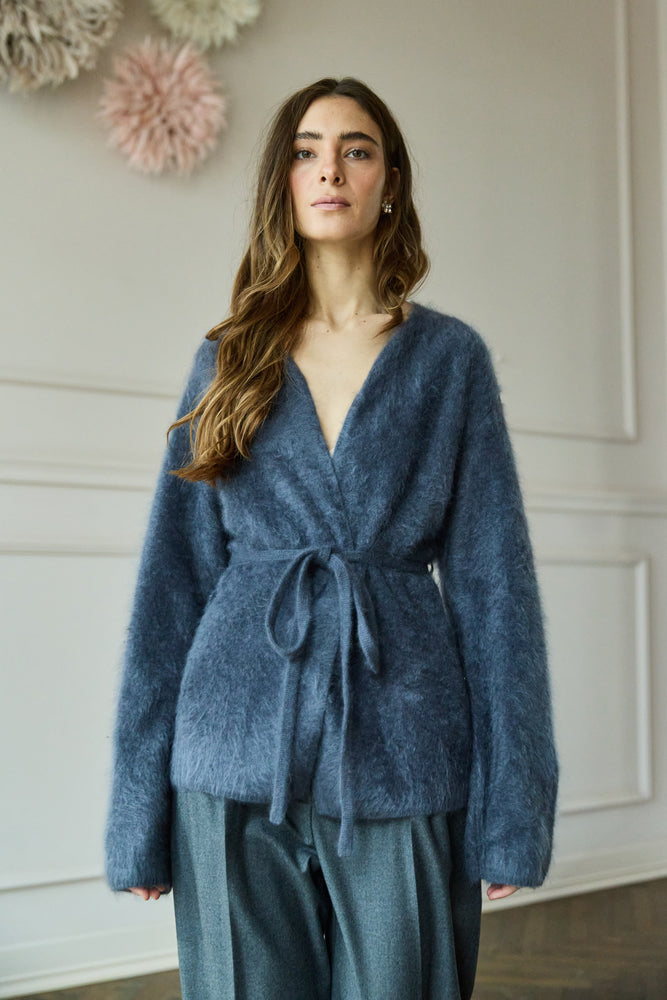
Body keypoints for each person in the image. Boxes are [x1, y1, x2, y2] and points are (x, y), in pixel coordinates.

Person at [104, 76, 559, 999]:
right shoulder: (227, 359)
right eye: (306, 152)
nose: (330, 170)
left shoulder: (449, 361)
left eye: (356, 150)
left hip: (404, 747)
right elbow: (171, 587)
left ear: (389, 181)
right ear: (282, 181)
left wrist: (511, 811)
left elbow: (495, 591)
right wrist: (137, 812)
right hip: (231, 748)